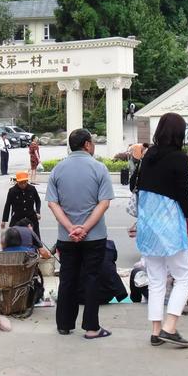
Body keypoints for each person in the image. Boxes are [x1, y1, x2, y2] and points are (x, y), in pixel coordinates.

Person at [136, 112, 188, 348]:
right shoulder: (179, 159)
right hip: (169, 228)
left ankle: (156, 331)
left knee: (156, 280)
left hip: (148, 227)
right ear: (180, 133)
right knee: (184, 277)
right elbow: (184, 197)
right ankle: (170, 327)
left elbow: (139, 190)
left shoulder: (149, 155)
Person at [46, 128, 114, 339]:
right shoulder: (99, 168)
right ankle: (92, 328)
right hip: (93, 236)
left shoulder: (57, 170)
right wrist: (85, 228)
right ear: (86, 144)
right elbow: (103, 203)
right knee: (91, 278)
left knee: (67, 278)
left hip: (67, 238)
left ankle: (64, 324)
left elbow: (52, 203)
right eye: (92, 142)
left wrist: (70, 228)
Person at [77, 240, 128, 305]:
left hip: (81, 295)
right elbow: (113, 259)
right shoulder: (109, 244)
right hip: (106, 295)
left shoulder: (74, 245)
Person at [1, 171, 42, 238]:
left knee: (35, 239)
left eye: (24, 182)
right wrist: (4, 220)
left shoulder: (32, 189)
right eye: (20, 183)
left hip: (31, 217)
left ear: (27, 181)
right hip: (17, 218)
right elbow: (7, 205)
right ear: (17, 181)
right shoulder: (12, 191)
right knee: (14, 238)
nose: (23, 185)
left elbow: (38, 201)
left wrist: (38, 212)